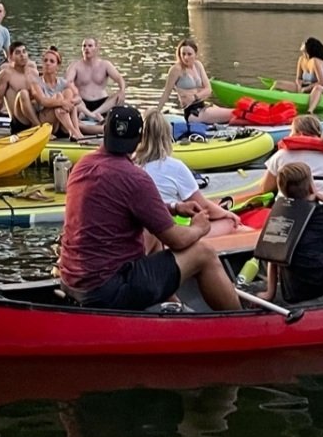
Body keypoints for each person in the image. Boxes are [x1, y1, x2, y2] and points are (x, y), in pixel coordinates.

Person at [56, 105, 240, 312]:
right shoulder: (135, 178)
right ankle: (240, 324)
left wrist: (174, 206)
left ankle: (175, 307)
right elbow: (177, 239)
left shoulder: (82, 165)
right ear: (138, 140)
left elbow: (125, 204)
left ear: (104, 133)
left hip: (72, 281)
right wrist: (199, 228)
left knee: (151, 234)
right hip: (110, 290)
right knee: (204, 252)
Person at [262, 162, 323, 304]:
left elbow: (273, 255)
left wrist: (270, 293)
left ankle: (272, 293)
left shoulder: (278, 215)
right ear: (311, 187)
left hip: (292, 296)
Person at [135, 111, 238, 229]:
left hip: (143, 231)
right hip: (170, 232)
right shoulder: (175, 167)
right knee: (229, 222)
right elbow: (203, 207)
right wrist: (227, 214)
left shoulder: (132, 166)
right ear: (167, 137)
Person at [259, 114, 323, 207]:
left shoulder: (280, 156)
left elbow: (266, 188)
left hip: (285, 209)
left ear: (298, 132)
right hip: (321, 209)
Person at [158, 39, 235, 126]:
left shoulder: (198, 65)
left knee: (238, 113)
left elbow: (208, 89)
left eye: (189, 54)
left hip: (203, 106)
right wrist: (156, 112)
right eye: (183, 54)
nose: (186, 57)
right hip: (192, 112)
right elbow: (166, 93)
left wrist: (194, 97)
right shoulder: (176, 70)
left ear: (195, 54)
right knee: (235, 113)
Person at [33, 46, 91, 141]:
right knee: (59, 96)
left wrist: (70, 102)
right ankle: (74, 132)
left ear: (58, 66)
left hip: (61, 121)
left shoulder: (63, 82)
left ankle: (75, 131)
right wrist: (63, 103)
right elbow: (43, 101)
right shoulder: (36, 82)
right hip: (46, 121)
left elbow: (79, 98)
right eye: (45, 61)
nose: (47, 63)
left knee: (68, 93)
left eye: (52, 61)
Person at [0, 43, 43, 131]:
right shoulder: (6, 74)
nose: (22, 55)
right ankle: (39, 127)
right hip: (19, 121)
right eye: (18, 53)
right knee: (23, 93)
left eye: (24, 52)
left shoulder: (34, 72)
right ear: (11, 57)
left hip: (35, 115)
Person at [66, 38, 126, 117]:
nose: (86, 48)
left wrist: (122, 91)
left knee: (119, 95)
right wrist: (74, 90)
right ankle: (90, 115)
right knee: (70, 96)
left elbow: (119, 79)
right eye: (84, 46)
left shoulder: (105, 64)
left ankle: (92, 114)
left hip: (102, 103)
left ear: (97, 48)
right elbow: (68, 82)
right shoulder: (75, 66)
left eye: (90, 46)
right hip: (82, 103)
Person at [294, 37, 323, 114]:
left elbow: (322, 82)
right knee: (279, 84)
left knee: (317, 88)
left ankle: (310, 111)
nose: (302, 43)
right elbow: (298, 78)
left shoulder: (315, 61)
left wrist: (306, 89)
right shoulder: (301, 59)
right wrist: (299, 85)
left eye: (306, 52)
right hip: (307, 87)